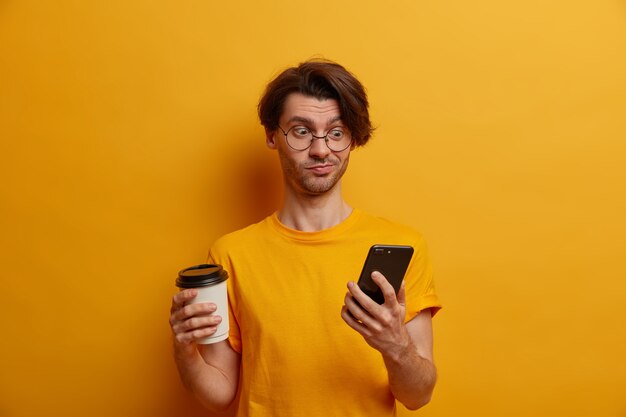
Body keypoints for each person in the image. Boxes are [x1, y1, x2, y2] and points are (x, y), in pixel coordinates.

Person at [169, 59, 442, 417]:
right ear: (272, 136)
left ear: (352, 139)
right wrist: (184, 349)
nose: (320, 149)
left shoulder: (403, 246)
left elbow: (418, 395)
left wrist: (396, 345)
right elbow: (220, 393)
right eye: (301, 131)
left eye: (336, 132)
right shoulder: (230, 254)